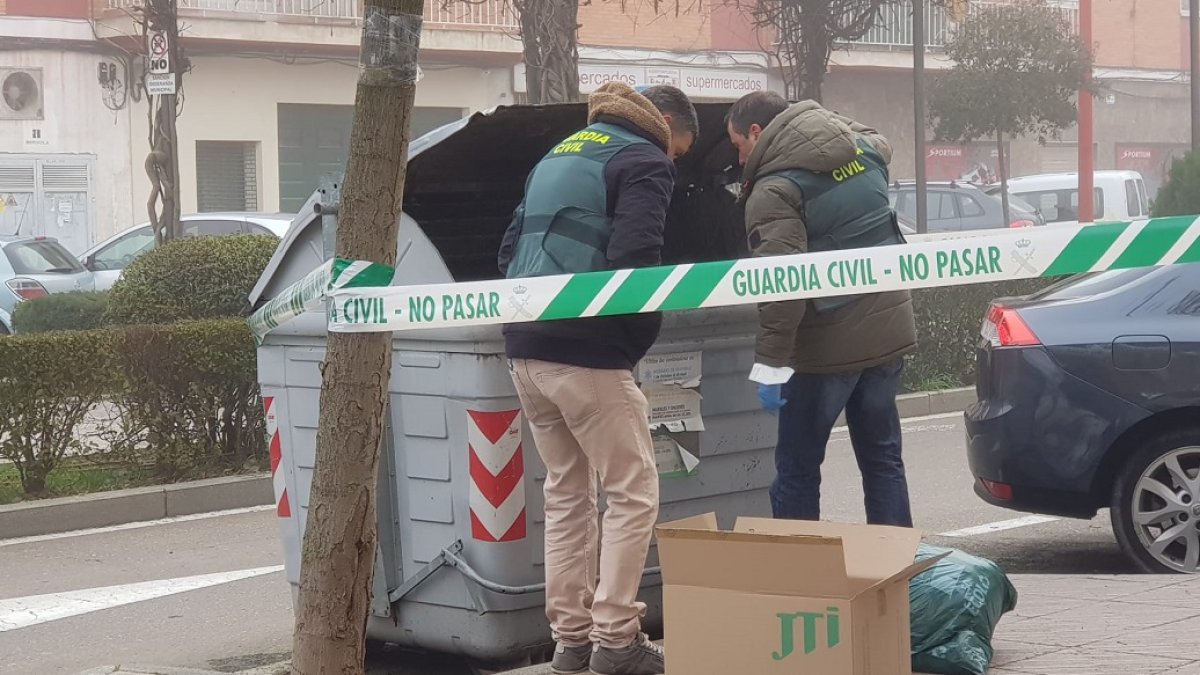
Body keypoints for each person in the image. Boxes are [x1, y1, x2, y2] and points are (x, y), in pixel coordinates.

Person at [497, 81, 697, 675]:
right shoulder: (643, 159)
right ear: (664, 122)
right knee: (633, 492)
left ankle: (570, 640)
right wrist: (627, 343)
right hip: (589, 354)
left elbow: (509, 250)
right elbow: (637, 258)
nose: (675, 161)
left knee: (566, 494)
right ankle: (616, 638)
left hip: (526, 347)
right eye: (680, 149)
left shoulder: (558, 155)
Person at [725, 91, 916, 527]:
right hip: (887, 336)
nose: (738, 159)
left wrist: (771, 367)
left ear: (757, 132)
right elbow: (875, 138)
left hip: (825, 351)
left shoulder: (775, 190)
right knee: (884, 461)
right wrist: (812, 116)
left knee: (797, 470)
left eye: (738, 145)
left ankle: (802, 578)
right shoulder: (864, 152)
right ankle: (896, 575)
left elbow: (782, 286)